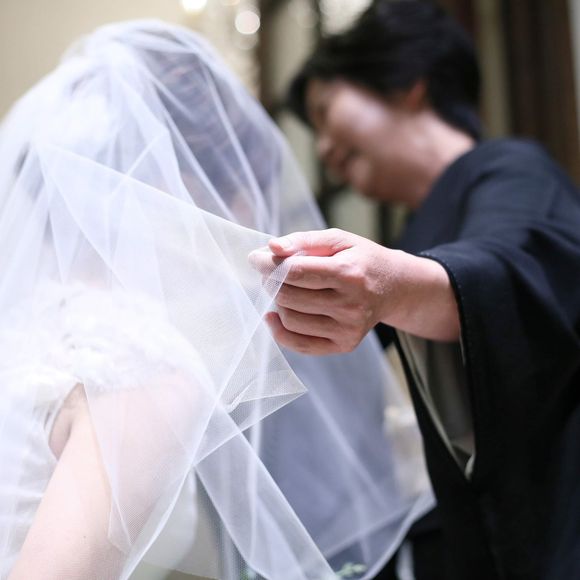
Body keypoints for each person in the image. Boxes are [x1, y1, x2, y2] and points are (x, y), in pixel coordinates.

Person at [0, 20, 433, 580]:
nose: (249, 222)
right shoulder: (138, 368)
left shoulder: (23, 326)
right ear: (171, 189)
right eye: (236, 187)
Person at [250, 1, 580, 579]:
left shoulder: (512, 169)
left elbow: (513, 262)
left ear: (406, 83)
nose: (323, 149)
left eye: (326, 112)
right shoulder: (413, 232)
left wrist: (396, 289)